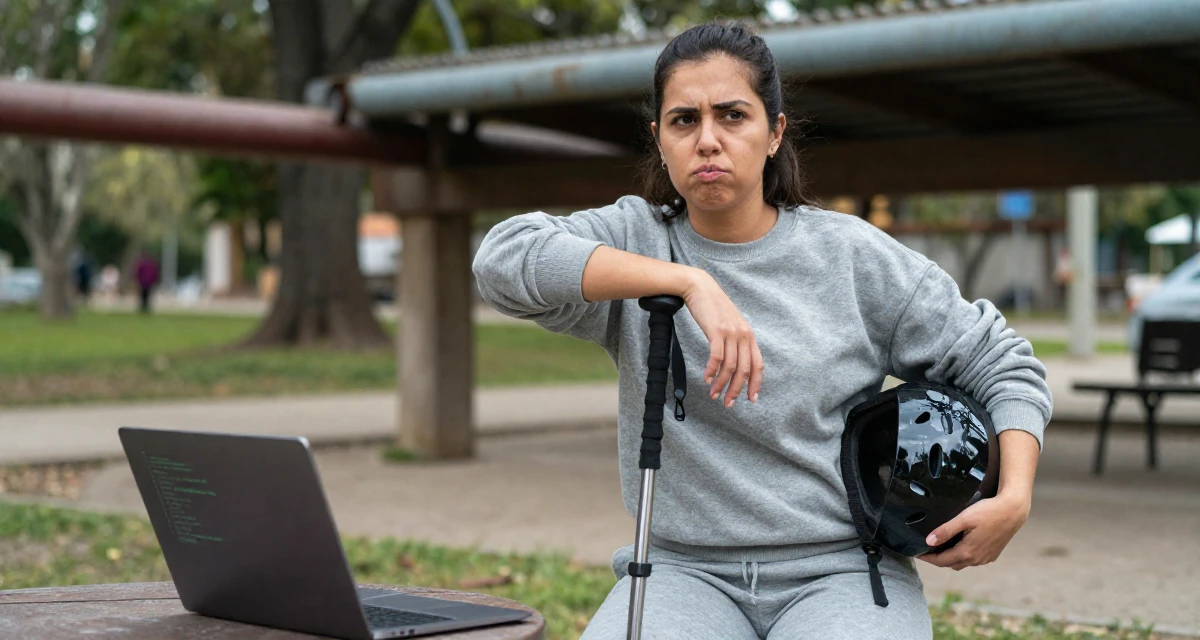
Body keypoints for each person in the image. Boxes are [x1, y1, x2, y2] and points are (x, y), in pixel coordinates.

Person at [472, 20, 1052, 640]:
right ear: (659, 140)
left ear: (774, 133)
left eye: (732, 116)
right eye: (684, 121)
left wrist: (1014, 497)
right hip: (682, 572)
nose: (708, 141)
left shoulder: (852, 256)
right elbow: (502, 259)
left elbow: (1000, 361)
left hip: (842, 571)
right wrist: (689, 282)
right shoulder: (637, 240)